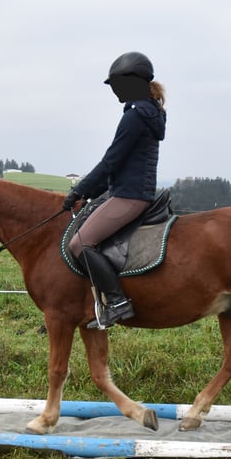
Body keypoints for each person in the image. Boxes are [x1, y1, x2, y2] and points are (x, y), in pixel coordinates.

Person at [63, 51, 167, 329]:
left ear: (133, 83)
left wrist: (78, 191)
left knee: (80, 244)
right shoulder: (147, 112)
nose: (116, 92)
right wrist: (88, 193)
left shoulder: (135, 117)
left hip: (129, 196)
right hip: (127, 191)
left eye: (118, 85)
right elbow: (117, 163)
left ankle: (118, 302)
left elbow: (111, 160)